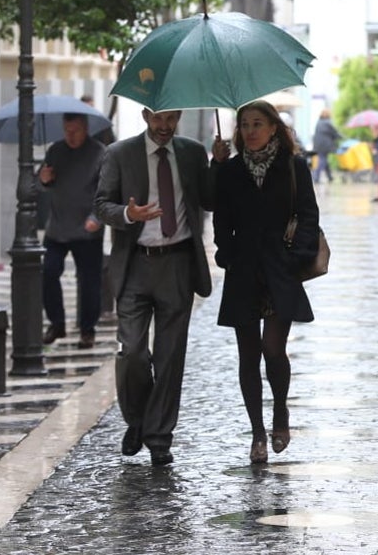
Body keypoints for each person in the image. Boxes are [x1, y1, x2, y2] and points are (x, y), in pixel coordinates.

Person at [94, 108, 230, 466]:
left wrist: (217, 164)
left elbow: (211, 201)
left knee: (170, 359)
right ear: (144, 116)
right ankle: (138, 420)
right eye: (158, 119)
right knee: (133, 353)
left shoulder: (191, 152)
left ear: (179, 116)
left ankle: (158, 438)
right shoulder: (119, 154)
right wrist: (128, 214)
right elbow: (101, 205)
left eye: (171, 119)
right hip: (135, 263)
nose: (165, 126)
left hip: (178, 265)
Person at [214, 101, 319, 465]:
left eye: (258, 124)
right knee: (248, 355)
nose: (251, 131)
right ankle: (257, 433)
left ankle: (280, 412)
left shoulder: (294, 167)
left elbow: (308, 214)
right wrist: (225, 253)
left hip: (280, 270)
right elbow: (217, 213)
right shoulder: (229, 170)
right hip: (243, 271)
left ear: (274, 127)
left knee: (273, 348)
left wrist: (298, 256)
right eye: (244, 125)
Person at [39, 113, 105, 349]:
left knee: (89, 281)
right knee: (48, 271)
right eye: (67, 130)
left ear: (85, 128)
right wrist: (44, 178)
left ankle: (87, 329)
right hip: (57, 227)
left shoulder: (100, 153)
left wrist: (97, 218)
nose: (71, 136)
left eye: (75, 131)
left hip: (88, 229)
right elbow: (43, 182)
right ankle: (56, 323)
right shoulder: (55, 150)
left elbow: (106, 191)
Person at [311, 109, 343, 184]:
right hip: (325, 145)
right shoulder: (328, 123)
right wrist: (342, 137)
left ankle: (329, 177)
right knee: (323, 159)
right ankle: (316, 177)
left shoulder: (319, 122)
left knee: (324, 159)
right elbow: (335, 132)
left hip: (318, 144)